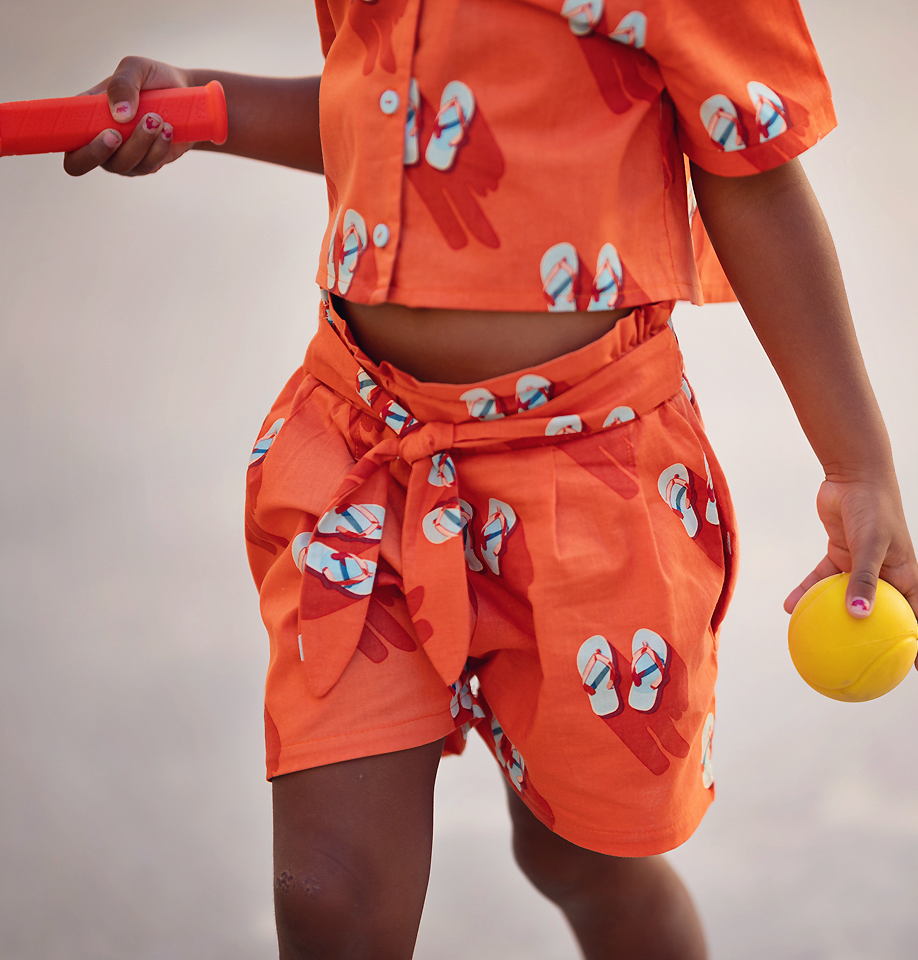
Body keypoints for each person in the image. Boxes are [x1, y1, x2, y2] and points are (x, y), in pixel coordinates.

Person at [64, 2, 918, 958]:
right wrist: (205, 105)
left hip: (592, 479)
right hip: (367, 453)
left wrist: (858, 465)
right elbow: (388, 120)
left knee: (584, 862)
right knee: (331, 903)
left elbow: (750, 169)